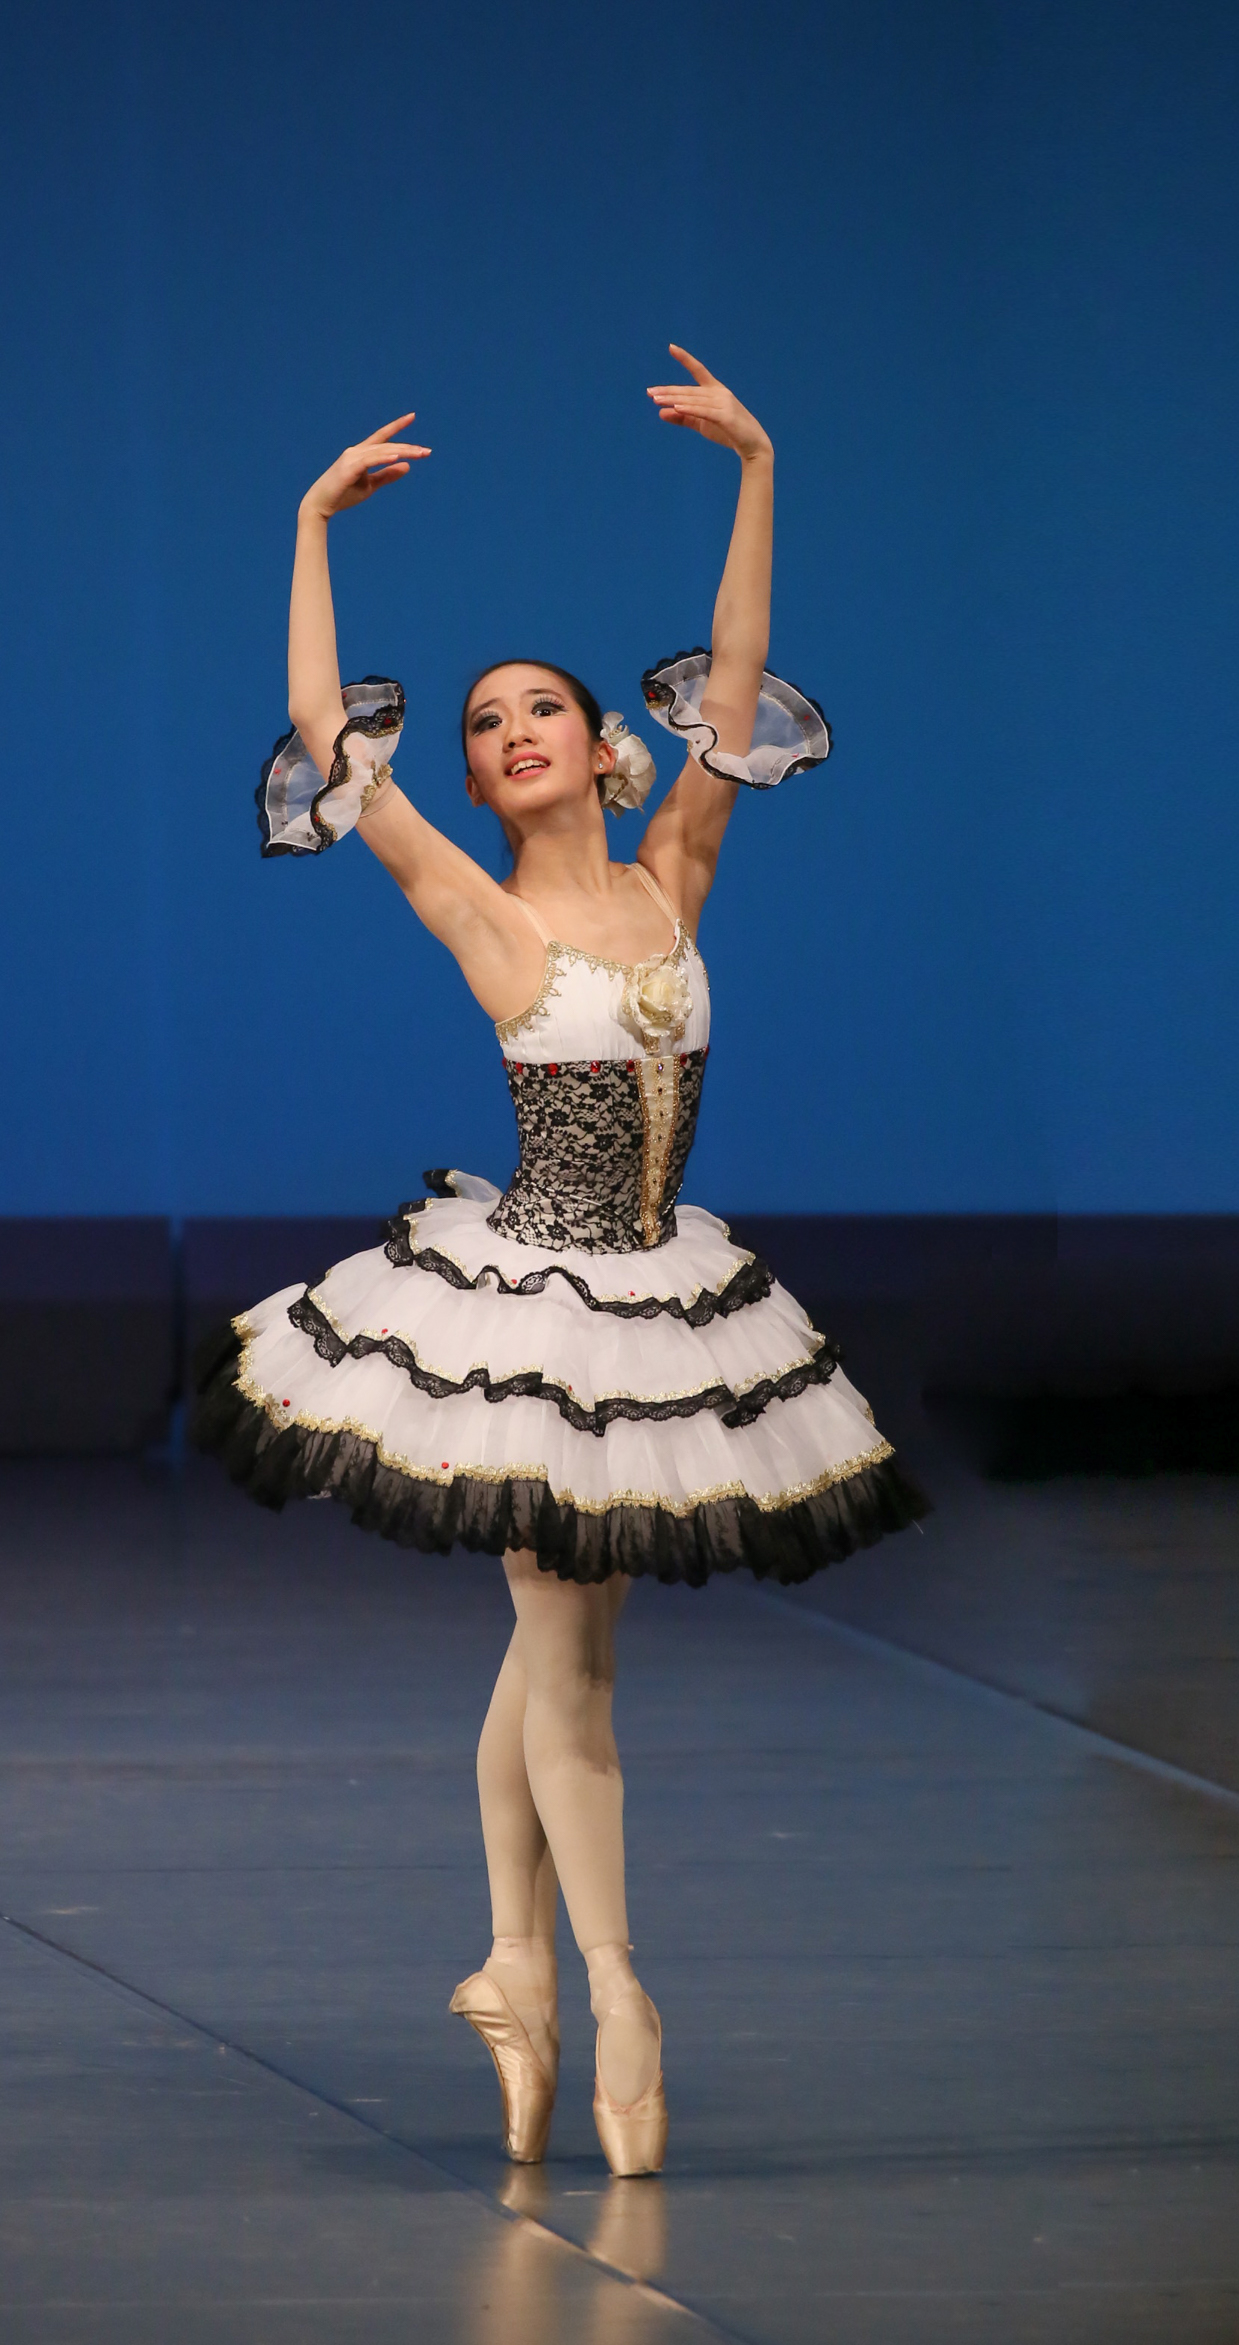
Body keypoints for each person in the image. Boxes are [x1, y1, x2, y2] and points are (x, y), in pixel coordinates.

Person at [195, 347, 928, 2178]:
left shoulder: (677, 869)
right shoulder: (485, 912)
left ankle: (515, 1967)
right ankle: (618, 1991)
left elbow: (737, 676)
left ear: (607, 747)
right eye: (482, 722)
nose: (510, 729)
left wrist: (759, 466)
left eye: (542, 709)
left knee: (548, 1664)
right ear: (471, 774)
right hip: (529, 1319)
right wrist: (310, 522)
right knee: (574, 1675)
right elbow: (318, 723)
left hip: (662, 1302)